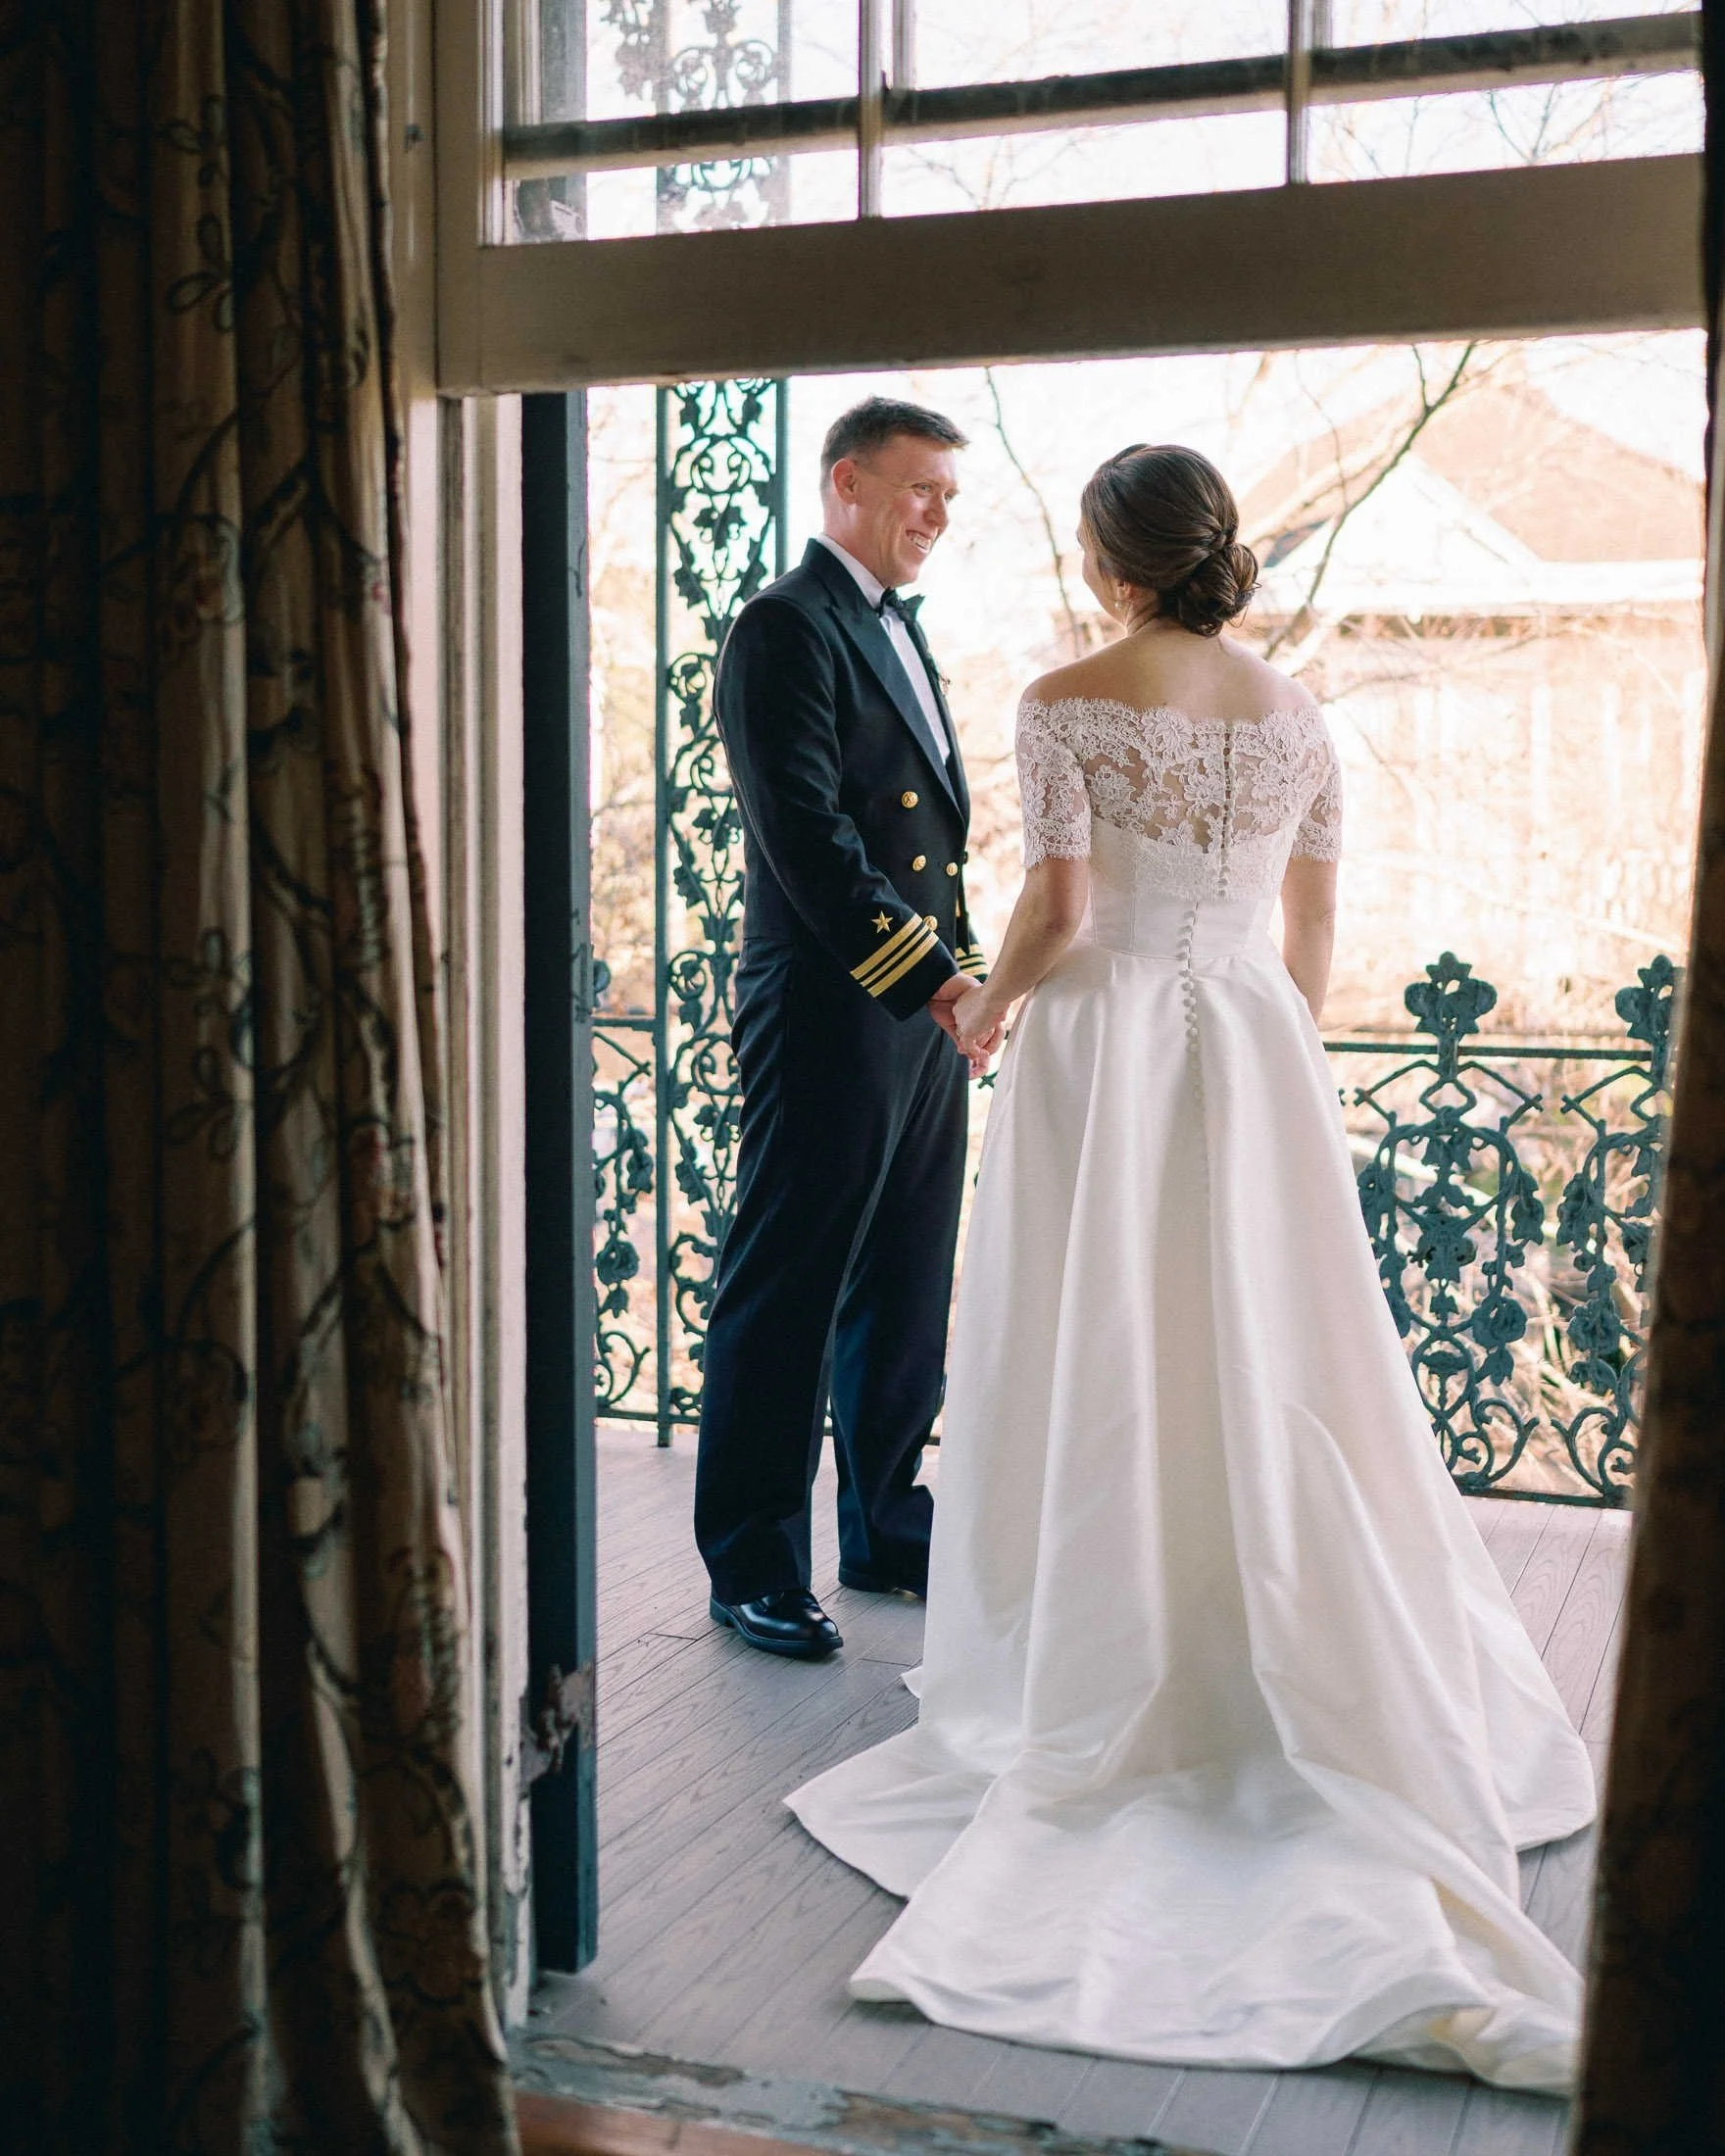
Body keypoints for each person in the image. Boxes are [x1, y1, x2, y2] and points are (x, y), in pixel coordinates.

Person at [786, 444, 1597, 2090]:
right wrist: (1272, 1049)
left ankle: (1093, 1657)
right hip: (1250, 1045)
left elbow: (1064, 902)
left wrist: (991, 1004)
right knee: (1264, 1351)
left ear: (1108, 558)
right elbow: (1313, 935)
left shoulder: (1067, 695)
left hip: (1104, 1058)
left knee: (1102, 1343)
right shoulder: (1295, 714)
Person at [696, 397, 997, 1661]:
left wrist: (974, 984)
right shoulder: (782, 626)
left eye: (947, 496)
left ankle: (882, 1526)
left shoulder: (895, 629)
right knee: (791, 1280)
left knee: (908, 1279)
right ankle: (754, 1559)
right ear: (845, 486)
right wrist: (934, 979)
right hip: (830, 999)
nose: (934, 514)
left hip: (921, 1007)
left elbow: (929, 842)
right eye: (918, 488)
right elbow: (810, 839)